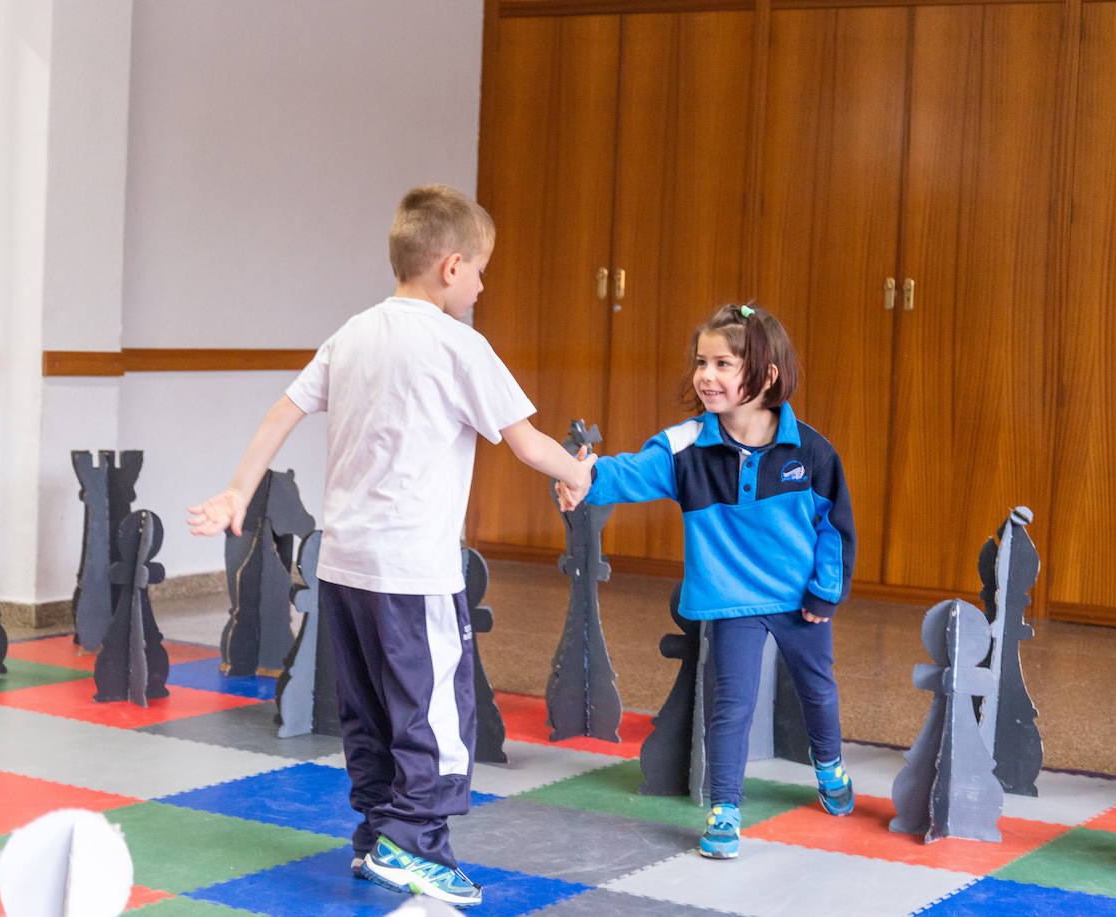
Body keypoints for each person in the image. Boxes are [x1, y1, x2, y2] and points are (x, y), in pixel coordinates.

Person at [188, 184, 592, 909]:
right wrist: (580, 472)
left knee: (370, 707)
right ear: (450, 266)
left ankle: (378, 834)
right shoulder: (459, 343)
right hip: (414, 572)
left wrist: (237, 491)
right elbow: (528, 441)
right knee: (434, 710)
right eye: (480, 270)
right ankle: (416, 847)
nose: (483, 284)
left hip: (343, 567)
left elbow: (284, 412)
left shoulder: (354, 333)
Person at [562, 304, 856, 859]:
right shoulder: (685, 446)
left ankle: (830, 763)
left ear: (766, 376)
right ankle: (725, 807)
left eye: (723, 363)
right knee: (731, 705)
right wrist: (584, 476)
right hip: (731, 601)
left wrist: (825, 592)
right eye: (702, 362)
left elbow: (834, 527)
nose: (706, 375)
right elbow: (627, 472)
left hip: (800, 602)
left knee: (817, 690)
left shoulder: (812, 451)